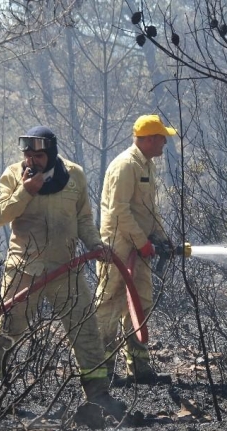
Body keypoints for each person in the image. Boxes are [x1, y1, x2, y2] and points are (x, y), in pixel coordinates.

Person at [0, 126, 127, 422]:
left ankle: (98, 396)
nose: (33, 160)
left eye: (39, 155)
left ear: (52, 153)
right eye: (28, 154)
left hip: (65, 270)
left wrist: (95, 244)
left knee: (86, 331)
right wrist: (25, 190)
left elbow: (83, 217)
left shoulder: (74, 176)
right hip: (23, 272)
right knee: (3, 332)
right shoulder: (13, 175)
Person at [95, 114, 175, 384]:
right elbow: (118, 212)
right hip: (119, 247)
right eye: (162, 139)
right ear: (150, 139)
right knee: (110, 303)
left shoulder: (147, 166)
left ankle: (139, 368)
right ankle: (101, 371)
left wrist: (161, 239)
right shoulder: (125, 166)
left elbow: (147, 211)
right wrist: (142, 242)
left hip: (140, 246)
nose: (165, 144)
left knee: (140, 302)